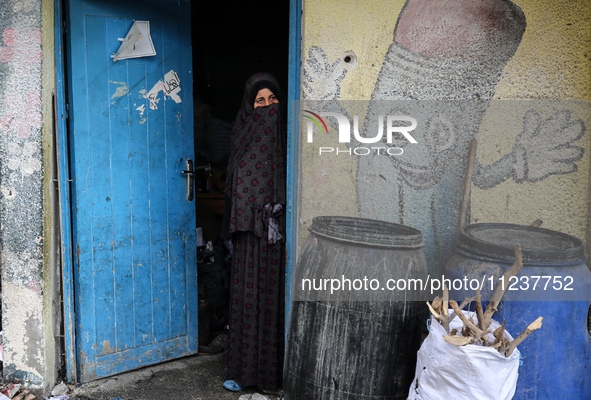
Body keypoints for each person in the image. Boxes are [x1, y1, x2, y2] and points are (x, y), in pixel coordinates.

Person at [221, 72, 286, 392]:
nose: (268, 107)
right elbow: (235, 188)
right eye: (260, 101)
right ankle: (244, 373)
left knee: (273, 301)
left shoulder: (287, 138)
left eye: (273, 100)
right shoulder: (242, 135)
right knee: (247, 300)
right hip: (248, 236)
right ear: (250, 106)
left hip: (277, 236)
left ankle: (272, 377)